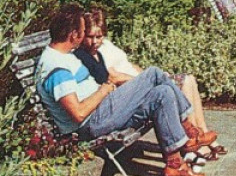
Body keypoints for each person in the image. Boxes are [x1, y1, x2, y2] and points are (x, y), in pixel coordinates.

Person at [36, 4, 208, 176]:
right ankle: (189, 129)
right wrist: (104, 89)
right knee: (154, 74)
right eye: (83, 29)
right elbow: (78, 113)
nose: (84, 33)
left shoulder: (63, 55)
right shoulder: (56, 68)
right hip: (92, 122)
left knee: (162, 93)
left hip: (102, 111)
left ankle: (175, 166)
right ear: (74, 34)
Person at [77, 9, 226, 144]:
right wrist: (144, 83)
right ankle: (189, 131)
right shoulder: (83, 56)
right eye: (90, 37)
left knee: (170, 86)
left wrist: (144, 79)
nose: (94, 42)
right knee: (159, 77)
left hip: (120, 99)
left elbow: (126, 65)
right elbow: (110, 80)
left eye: (99, 36)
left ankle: (189, 142)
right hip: (111, 108)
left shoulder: (98, 53)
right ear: (82, 34)